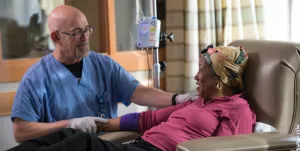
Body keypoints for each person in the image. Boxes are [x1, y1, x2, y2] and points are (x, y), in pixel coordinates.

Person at [0, 45, 256, 151]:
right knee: (71, 135)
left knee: (82, 146)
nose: (195, 77)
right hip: (143, 148)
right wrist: (97, 124)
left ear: (222, 79)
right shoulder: (198, 101)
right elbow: (146, 121)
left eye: (201, 72)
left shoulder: (238, 110)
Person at [11, 5, 197, 143]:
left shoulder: (103, 65)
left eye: (87, 30)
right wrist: (68, 125)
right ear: (55, 37)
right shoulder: (36, 78)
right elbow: (21, 131)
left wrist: (177, 99)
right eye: (76, 33)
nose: (85, 38)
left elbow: (138, 92)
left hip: (105, 149)